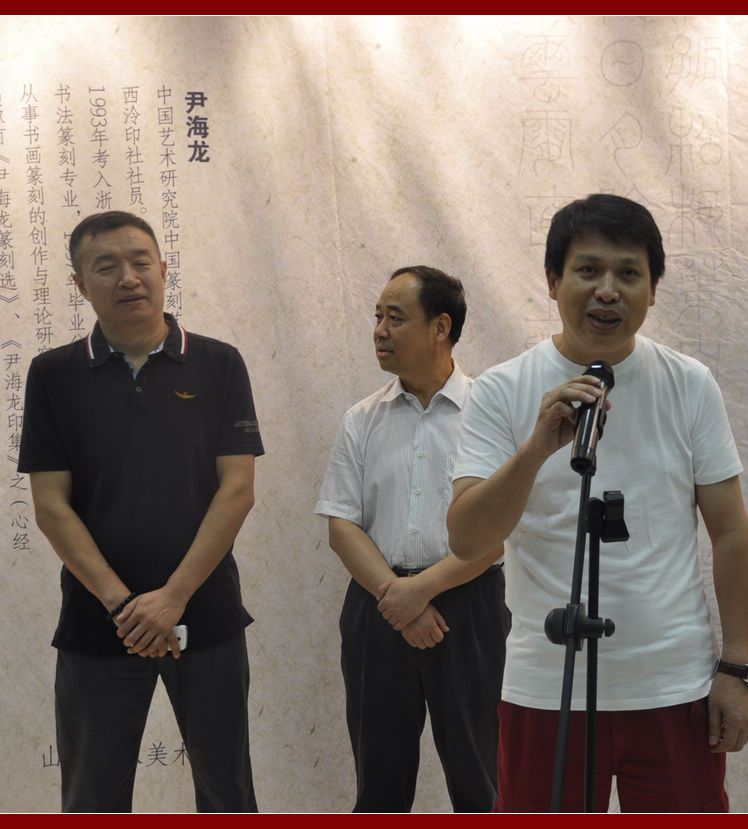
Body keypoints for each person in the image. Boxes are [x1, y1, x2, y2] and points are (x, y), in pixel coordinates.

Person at [446, 193, 748, 812]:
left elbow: (730, 532)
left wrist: (736, 667)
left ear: (652, 289)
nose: (607, 291)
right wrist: (537, 448)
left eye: (628, 273)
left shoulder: (689, 384)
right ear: (553, 280)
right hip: (547, 686)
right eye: (588, 270)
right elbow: (467, 538)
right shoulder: (502, 390)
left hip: (671, 683)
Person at [18, 211, 263, 812]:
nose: (128, 277)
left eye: (140, 261)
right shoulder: (53, 375)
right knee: (92, 800)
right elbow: (51, 506)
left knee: (228, 794)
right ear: (80, 283)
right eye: (106, 266)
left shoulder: (219, 363)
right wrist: (124, 606)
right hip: (98, 622)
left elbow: (237, 490)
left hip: (205, 615)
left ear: (163, 268)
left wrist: (173, 598)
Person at [315, 266, 508, 812]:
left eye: (395, 318)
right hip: (377, 607)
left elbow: (498, 529)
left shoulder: (489, 414)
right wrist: (397, 599)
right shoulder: (361, 419)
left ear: (441, 327)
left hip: (469, 606)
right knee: (379, 784)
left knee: (482, 780)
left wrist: (420, 591)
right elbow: (341, 525)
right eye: (377, 316)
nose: (379, 330)